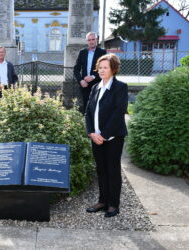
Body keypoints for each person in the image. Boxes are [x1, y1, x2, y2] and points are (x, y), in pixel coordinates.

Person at [85, 53, 128, 218]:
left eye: (105, 67)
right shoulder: (95, 87)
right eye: (100, 67)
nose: (102, 70)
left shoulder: (120, 87)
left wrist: (103, 135)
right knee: (101, 170)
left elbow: (118, 114)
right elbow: (88, 112)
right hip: (95, 138)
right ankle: (102, 201)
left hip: (113, 138)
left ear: (113, 69)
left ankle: (113, 204)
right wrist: (91, 133)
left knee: (112, 170)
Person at [74, 32, 106, 113]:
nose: (91, 42)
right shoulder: (82, 52)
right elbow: (76, 69)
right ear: (87, 41)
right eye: (89, 40)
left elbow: (105, 69)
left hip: (97, 84)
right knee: (86, 107)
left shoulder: (102, 52)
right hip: (85, 85)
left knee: (97, 107)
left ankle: (96, 125)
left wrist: (93, 77)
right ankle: (87, 124)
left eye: (93, 39)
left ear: (97, 40)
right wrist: (81, 80)